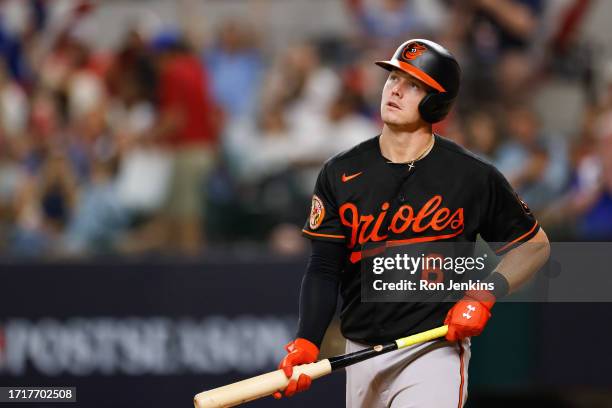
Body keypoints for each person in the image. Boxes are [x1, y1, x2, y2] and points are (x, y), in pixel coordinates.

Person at [273, 39, 550, 407]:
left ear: (437, 101)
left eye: (414, 85)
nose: (396, 90)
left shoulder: (470, 175)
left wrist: (483, 294)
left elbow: (534, 245)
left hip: (432, 351)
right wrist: (307, 340)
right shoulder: (341, 171)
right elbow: (324, 267)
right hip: (359, 351)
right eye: (393, 79)